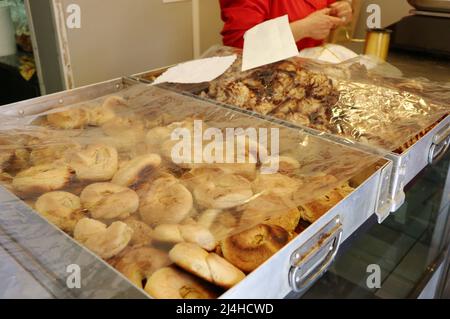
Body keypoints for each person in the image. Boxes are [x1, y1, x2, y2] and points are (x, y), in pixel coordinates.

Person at [219, 0, 353, 50]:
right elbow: (239, 43)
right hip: (265, 76)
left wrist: (342, 10)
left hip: (307, 65)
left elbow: (331, 7)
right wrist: (303, 28)